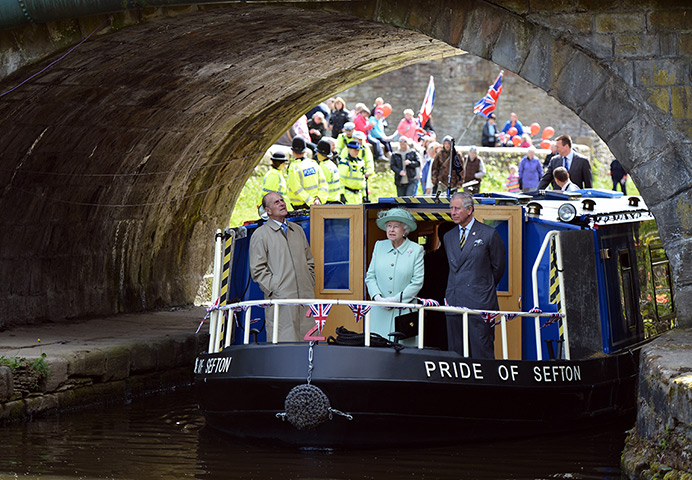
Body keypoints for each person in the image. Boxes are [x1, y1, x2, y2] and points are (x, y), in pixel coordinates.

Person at [444, 192, 506, 359]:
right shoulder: (448, 236)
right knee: (456, 354)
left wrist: (481, 287)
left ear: (470, 209)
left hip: (480, 303)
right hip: (454, 302)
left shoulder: (488, 234)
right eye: (451, 208)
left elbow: (498, 267)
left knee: (481, 352)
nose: (453, 212)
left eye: (457, 209)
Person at [249, 192, 316, 342]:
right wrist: (275, 289)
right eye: (276, 202)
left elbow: (309, 261)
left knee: (309, 343)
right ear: (268, 211)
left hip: (306, 297)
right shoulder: (261, 235)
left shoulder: (297, 230)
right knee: (284, 341)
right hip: (281, 299)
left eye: (282, 200)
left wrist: (310, 282)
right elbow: (258, 269)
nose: (281, 203)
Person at [365, 208, 424, 343]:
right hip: (379, 312)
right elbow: (370, 276)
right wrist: (378, 298)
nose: (391, 230)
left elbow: (417, 281)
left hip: (404, 313)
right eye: (389, 226)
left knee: (403, 356)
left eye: (396, 226)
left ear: (405, 229)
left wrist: (396, 300)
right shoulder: (379, 246)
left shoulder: (416, 250)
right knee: (377, 351)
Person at [287, 137, 328, 209]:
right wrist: (318, 199)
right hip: (317, 205)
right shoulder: (314, 163)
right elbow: (323, 184)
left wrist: (311, 202)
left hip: (301, 208)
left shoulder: (293, 168)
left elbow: (296, 189)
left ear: (293, 152)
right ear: (305, 151)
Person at [338, 140, 367, 204]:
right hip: (348, 196)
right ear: (349, 149)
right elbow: (341, 180)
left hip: (358, 197)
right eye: (355, 150)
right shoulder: (344, 163)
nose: (357, 152)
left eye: (358, 150)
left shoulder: (361, 162)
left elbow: (362, 181)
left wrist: (364, 195)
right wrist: (341, 194)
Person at [315, 138, 342, 203]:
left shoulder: (321, 167)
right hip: (336, 199)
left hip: (327, 201)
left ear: (319, 153)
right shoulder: (332, 164)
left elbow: (320, 185)